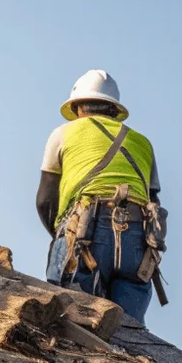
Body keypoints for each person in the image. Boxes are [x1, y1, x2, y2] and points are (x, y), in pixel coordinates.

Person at [38, 70, 166, 325]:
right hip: (138, 241)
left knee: (70, 317)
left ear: (78, 107)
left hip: (87, 231)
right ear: (113, 109)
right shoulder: (143, 142)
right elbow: (153, 198)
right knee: (128, 330)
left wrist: (62, 238)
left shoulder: (63, 133)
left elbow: (45, 200)